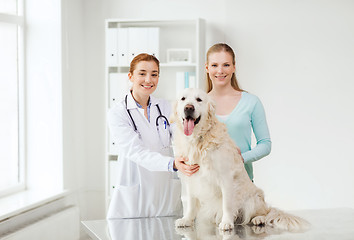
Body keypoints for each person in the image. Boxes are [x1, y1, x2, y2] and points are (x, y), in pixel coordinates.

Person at [107, 53, 199, 219]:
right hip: (134, 199)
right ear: (130, 76)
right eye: (142, 73)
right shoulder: (118, 113)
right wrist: (173, 163)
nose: (148, 80)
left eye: (154, 74)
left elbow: (180, 135)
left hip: (164, 195)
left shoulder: (165, 106)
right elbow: (136, 152)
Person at [205, 43, 271, 181]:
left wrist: (241, 158)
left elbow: (265, 144)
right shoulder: (199, 105)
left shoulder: (251, 102)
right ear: (207, 68)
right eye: (214, 65)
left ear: (234, 67)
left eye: (226, 65)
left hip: (242, 182)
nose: (220, 71)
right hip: (209, 184)